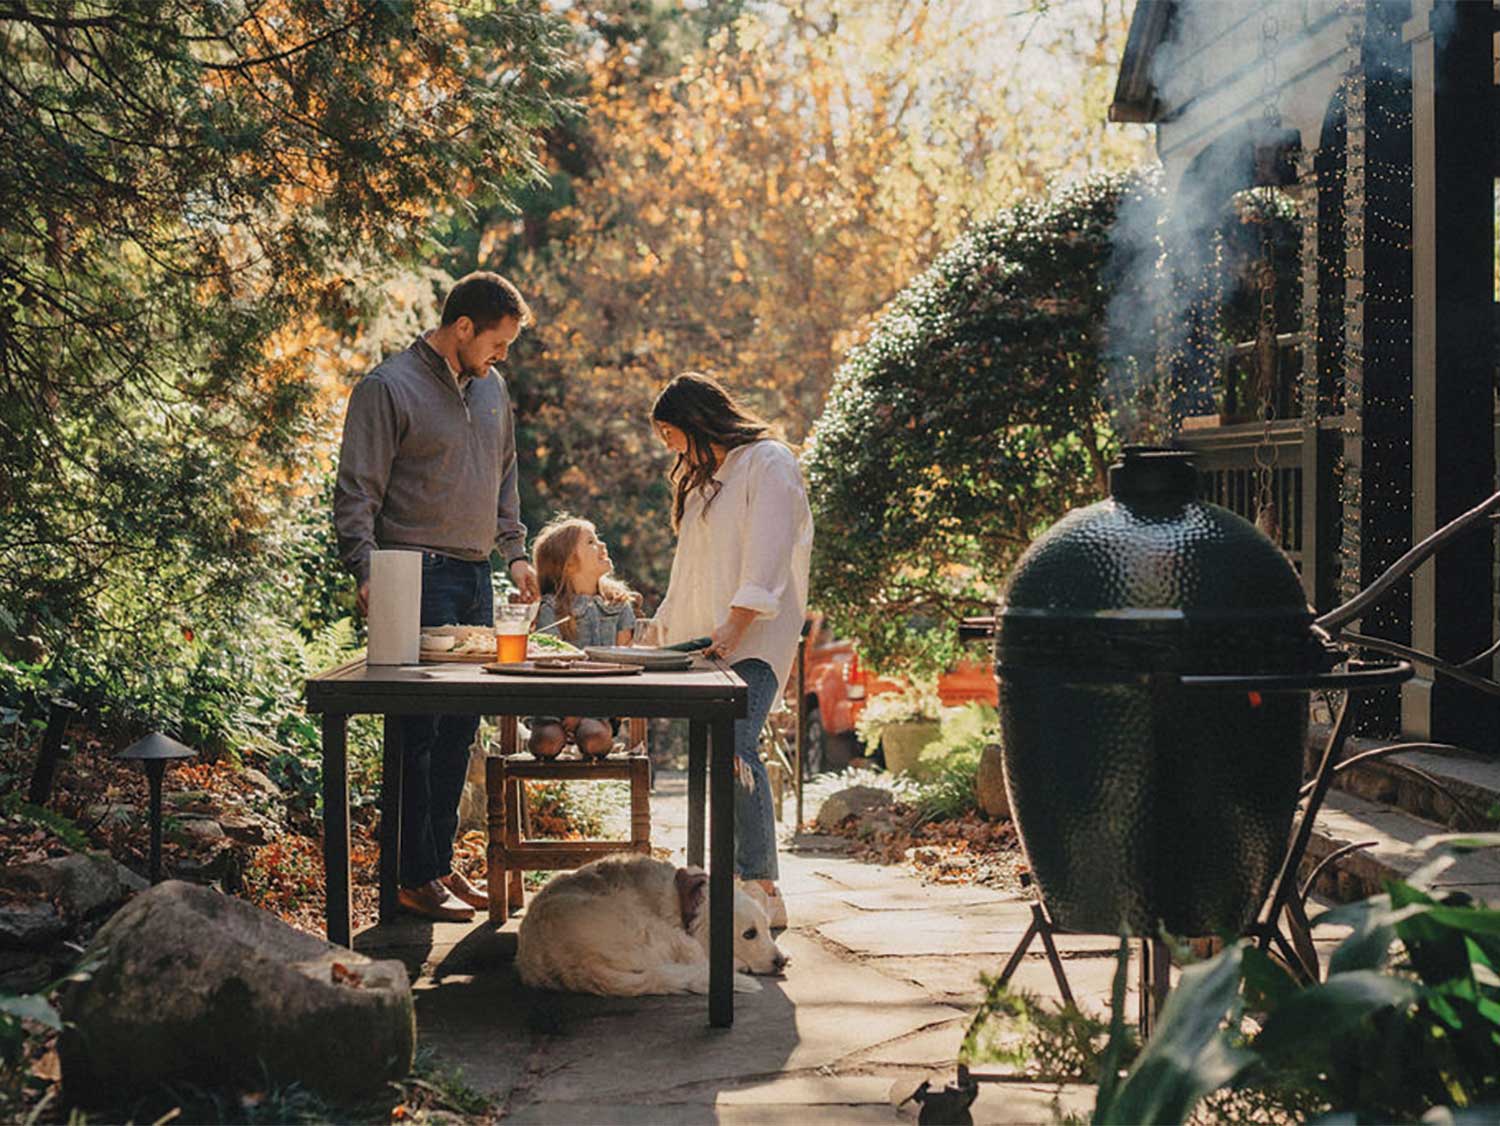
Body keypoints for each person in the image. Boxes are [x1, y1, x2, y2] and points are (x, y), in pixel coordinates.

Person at [333, 271, 541, 922]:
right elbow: (357, 490)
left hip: (475, 575)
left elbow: (504, 476)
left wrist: (515, 551)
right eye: (497, 343)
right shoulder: (387, 387)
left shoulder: (493, 388)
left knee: (457, 734)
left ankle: (435, 870)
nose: (502, 355)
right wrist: (364, 567)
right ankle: (406, 876)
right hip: (410, 575)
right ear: (462, 329)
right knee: (415, 731)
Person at [649, 372, 813, 930]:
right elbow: (689, 571)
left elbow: (769, 552)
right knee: (717, 754)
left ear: (694, 421)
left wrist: (738, 622)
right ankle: (726, 880)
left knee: (738, 747)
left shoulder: (769, 462)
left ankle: (762, 885)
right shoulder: (703, 482)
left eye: (669, 433)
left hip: (755, 639)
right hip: (707, 645)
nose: (667, 446)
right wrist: (660, 630)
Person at [526, 516, 638, 758]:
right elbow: (548, 666)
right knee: (546, 742)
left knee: (595, 739)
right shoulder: (551, 608)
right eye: (591, 542)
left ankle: (595, 727)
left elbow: (623, 665)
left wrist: (586, 711)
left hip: (600, 703)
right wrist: (569, 711)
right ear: (568, 565)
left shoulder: (619, 604)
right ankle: (554, 730)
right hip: (554, 704)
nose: (602, 546)